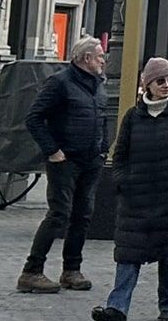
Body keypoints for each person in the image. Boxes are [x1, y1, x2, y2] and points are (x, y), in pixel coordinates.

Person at [93, 58, 168, 321]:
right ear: (148, 84)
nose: (166, 86)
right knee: (128, 254)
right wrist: (123, 181)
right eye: (160, 81)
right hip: (136, 198)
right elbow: (120, 153)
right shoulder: (134, 116)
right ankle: (117, 308)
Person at [17, 35, 109, 294]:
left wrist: (102, 149)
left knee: (83, 215)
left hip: (90, 159)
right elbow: (34, 118)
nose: (103, 61)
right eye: (100, 56)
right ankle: (32, 271)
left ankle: (72, 269)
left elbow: (102, 118)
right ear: (87, 58)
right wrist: (53, 150)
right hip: (65, 159)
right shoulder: (60, 83)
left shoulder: (97, 85)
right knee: (59, 213)